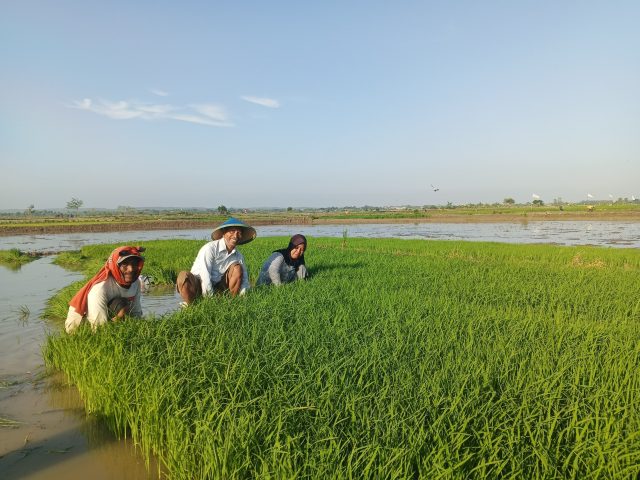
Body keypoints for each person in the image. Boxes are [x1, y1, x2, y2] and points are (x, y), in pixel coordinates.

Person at [65, 246, 145, 333]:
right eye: (125, 265)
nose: (131, 269)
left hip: (110, 312)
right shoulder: (100, 289)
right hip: (81, 326)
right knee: (121, 305)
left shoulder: (135, 283)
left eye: (134, 264)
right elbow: (99, 327)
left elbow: (136, 314)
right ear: (116, 266)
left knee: (123, 305)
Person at [176, 217, 256, 305]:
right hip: (198, 284)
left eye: (239, 232)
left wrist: (243, 298)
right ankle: (191, 305)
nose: (235, 236)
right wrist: (210, 301)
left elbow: (244, 280)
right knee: (183, 276)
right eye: (232, 231)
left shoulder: (238, 256)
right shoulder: (210, 248)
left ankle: (233, 302)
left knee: (237, 268)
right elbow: (205, 276)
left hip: (219, 287)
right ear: (224, 233)